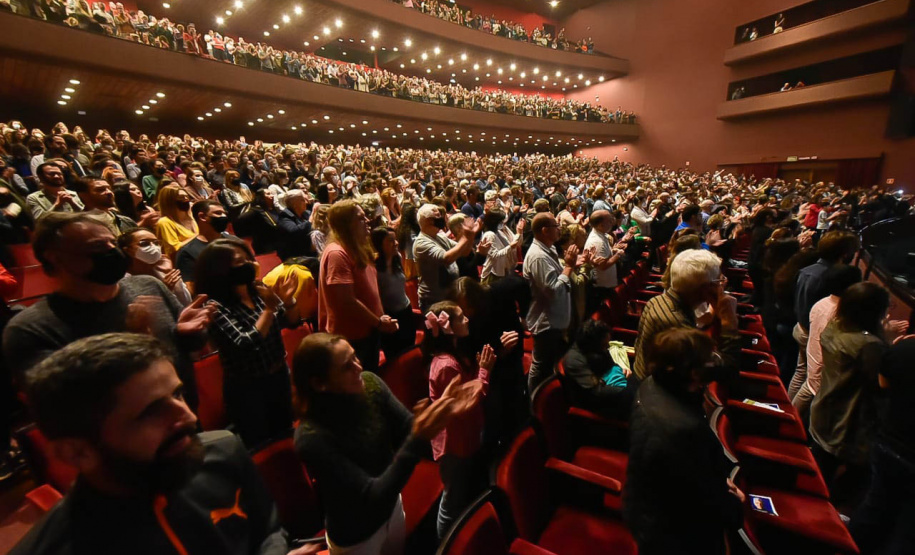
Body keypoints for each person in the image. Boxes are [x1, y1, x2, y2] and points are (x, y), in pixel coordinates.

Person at [10, 333, 313, 555]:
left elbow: (268, 531)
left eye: (178, 395)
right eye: (151, 413)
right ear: (76, 451)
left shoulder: (222, 449)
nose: (189, 417)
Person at [291, 332, 479, 554]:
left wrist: (442, 411)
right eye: (346, 366)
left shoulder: (369, 383)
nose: (358, 367)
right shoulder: (311, 437)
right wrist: (419, 435)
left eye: (355, 357)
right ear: (320, 384)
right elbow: (372, 496)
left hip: (392, 508)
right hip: (356, 535)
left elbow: (409, 428)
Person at [624, 327, 744, 555]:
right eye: (707, 362)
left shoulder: (651, 385)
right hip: (676, 536)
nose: (712, 365)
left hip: (649, 508)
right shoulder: (681, 430)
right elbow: (703, 503)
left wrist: (715, 478)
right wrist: (734, 505)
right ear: (692, 373)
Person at [194, 237, 299, 447]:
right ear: (220, 269)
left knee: (286, 436)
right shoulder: (215, 306)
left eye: (248, 259)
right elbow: (244, 343)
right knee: (261, 445)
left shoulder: (258, 292)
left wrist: (288, 302)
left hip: (278, 375)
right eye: (239, 262)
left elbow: (291, 321)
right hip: (249, 389)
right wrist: (269, 311)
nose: (249, 265)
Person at [810, 282, 894, 506]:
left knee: (818, 474)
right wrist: (889, 342)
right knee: (854, 485)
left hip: (824, 409)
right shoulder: (869, 345)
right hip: (848, 422)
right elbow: (881, 384)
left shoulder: (835, 326)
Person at [422, 301, 494, 539]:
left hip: (467, 433)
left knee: (462, 491)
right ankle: (446, 544)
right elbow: (466, 402)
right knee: (451, 500)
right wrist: (484, 371)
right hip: (454, 442)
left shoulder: (456, 354)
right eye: (461, 317)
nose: (467, 320)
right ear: (449, 327)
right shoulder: (446, 366)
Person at [849, 336, 915, 554]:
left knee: (873, 508)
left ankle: (847, 547)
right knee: (905, 530)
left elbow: (883, 383)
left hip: (889, 440)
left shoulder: (903, 347)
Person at [633, 249, 740, 380]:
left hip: (645, 379)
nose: (722, 285)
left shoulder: (656, 300)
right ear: (707, 288)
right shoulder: (678, 326)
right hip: (658, 392)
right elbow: (727, 371)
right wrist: (729, 322)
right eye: (719, 280)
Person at [318, 200, 393, 376]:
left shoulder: (357, 247)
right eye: (360, 218)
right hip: (353, 337)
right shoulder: (337, 253)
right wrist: (378, 322)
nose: (367, 220)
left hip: (368, 330)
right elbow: (346, 301)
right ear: (346, 225)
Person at [792, 264, 861, 426]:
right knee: (809, 388)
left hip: (811, 348)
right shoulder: (838, 312)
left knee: (802, 376)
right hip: (821, 362)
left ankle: (788, 413)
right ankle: (790, 421)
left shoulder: (822, 302)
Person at [523, 212, 580, 395]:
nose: (560, 229)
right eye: (556, 226)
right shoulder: (538, 257)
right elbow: (553, 291)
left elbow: (558, 276)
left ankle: (550, 395)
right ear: (545, 230)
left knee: (551, 364)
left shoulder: (550, 249)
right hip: (546, 322)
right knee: (541, 368)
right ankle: (535, 403)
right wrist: (569, 267)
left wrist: (572, 265)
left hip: (556, 318)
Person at [561, 320, 637, 420]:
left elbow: (609, 363)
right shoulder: (574, 360)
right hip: (595, 404)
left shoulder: (596, 348)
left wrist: (622, 368)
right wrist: (628, 391)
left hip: (608, 387)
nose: (606, 349)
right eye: (604, 346)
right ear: (593, 345)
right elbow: (596, 391)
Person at [413, 203, 478, 311]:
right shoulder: (421, 243)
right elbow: (447, 259)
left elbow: (464, 252)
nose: (442, 219)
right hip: (434, 300)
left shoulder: (439, 236)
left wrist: (471, 235)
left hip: (449, 295)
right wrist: (465, 237)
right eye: (438, 216)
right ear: (429, 220)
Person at [371, 226, 416, 360]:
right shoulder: (373, 266)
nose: (396, 243)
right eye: (390, 241)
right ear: (379, 244)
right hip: (390, 314)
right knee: (395, 355)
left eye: (395, 239)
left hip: (406, 310)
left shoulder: (398, 257)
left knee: (410, 349)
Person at [119, 228, 193, 306]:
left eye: (156, 243)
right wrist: (163, 290)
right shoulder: (124, 280)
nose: (153, 247)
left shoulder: (163, 271)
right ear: (128, 250)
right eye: (144, 243)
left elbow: (186, 303)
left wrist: (169, 272)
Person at [175, 199, 232, 286]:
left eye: (224, 213)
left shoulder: (234, 241)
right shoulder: (187, 252)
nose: (223, 216)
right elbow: (191, 288)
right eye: (218, 213)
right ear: (202, 217)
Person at [583, 210, 626, 313]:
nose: (612, 222)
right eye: (609, 221)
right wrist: (618, 255)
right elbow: (603, 266)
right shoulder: (597, 241)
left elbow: (604, 256)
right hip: (602, 286)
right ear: (601, 225)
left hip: (605, 283)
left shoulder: (601, 234)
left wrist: (613, 250)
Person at [479, 207, 523, 284]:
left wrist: (520, 232)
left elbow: (517, 243)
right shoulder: (489, 235)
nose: (503, 223)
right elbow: (495, 255)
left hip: (506, 269)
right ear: (495, 221)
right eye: (501, 221)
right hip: (494, 274)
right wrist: (510, 247)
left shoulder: (500, 231)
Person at [155, 184, 198, 259]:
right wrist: (198, 235)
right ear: (169, 201)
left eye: (186, 196)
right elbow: (174, 250)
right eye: (181, 197)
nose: (186, 199)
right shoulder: (165, 222)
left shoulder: (193, 217)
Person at [276, 189, 314, 260]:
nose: (306, 202)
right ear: (294, 204)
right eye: (302, 200)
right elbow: (294, 231)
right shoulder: (284, 216)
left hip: (309, 252)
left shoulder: (306, 213)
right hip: (295, 257)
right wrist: (310, 221)